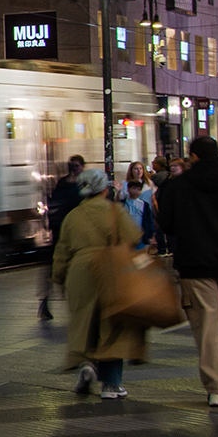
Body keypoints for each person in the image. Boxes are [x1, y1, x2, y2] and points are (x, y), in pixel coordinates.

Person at [154, 135, 218, 407]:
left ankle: (216, 389)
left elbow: (167, 225)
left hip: (195, 267)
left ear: (194, 157)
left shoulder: (179, 187)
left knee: (208, 326)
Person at [52, 170, 148, 399]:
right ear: (105, 189)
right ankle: (111, 385)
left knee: (86, 324)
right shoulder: (115, 211)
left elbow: (62, 252)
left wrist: (59, 279)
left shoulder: (72, 216)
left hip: (79, 274)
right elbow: (133, 239)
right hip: (110, 271)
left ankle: (87, 364)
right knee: (113, 327)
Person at [40, 155, 86, 320]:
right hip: (64, 232)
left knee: (63, 267)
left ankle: (54, 300)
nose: (73, 169)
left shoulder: (77, 184)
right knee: (59, 267)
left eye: (76, 166)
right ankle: (49, 299)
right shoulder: (70, 185)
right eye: (71, 166)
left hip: (71, 232)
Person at [121, 179, 157, 247]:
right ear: (128, 189)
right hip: (125, 236)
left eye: (138, 189)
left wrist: (150, 235)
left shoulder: (144, 204)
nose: (136, 191)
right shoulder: (122, 203)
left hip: (140, 236)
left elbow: (149, 221)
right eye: (134, 188)